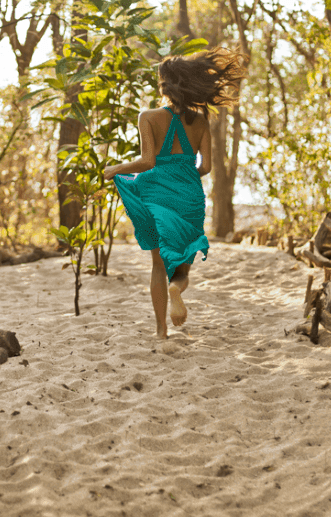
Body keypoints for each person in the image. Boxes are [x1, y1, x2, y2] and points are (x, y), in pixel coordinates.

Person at [104, 48, 247, 339]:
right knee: (182, 265)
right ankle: (176, 288)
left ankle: (160, 331)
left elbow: (147, 162)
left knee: (159, 264)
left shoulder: (148, 116)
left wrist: (115, 168)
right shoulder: (201, 121)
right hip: (189, 196)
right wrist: (183, 174)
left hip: (158, 194)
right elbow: (205, 166)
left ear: (165, 84)